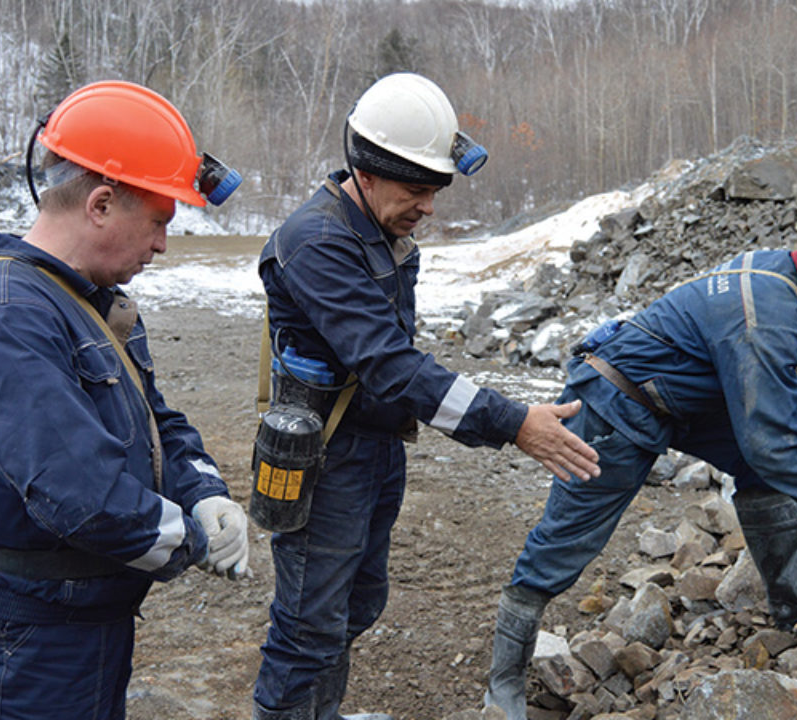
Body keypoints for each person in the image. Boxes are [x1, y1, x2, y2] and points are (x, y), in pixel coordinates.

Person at [484, 201, 797, 720]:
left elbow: (766, 381)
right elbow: (770, 439)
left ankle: (793, 599)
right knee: (564, 543)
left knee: (762, 469)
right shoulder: (768, 309)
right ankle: (503, 684)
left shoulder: (776, 274)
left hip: (674, 400)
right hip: (614, 404)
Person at [251, 72, 601, 720]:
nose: (430, 207)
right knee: (308, 629)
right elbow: (392, 368)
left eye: (436, 190)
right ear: (369, 170)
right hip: (326, 458)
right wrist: (514, 422)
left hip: (375, 447)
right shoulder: (317, 242)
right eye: (418, 190)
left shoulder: (375, 225)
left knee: (359, 603)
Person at [0, 80, 249, 719]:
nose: (160, 244)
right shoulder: (4, 318)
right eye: (157, 222)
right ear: (100, 204)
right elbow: (79, 494)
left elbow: (157, 423)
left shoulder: (90, 305)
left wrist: (205, 492)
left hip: (79, 614)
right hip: (30, 634)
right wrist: (193, 542)